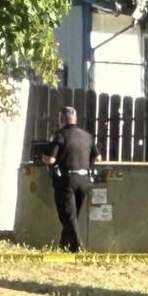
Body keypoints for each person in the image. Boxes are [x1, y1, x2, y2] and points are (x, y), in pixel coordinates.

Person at [41, 106, 100, 252]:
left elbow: (50, 159)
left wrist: (43, 157)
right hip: (84, 181)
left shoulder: (59, 135)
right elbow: (97, 157)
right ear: (76, 118)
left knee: (67, 216)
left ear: (61, 120)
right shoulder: (87, 136)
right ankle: (63, 246)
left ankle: (77, 248)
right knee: (72, 217)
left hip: (67, 181)